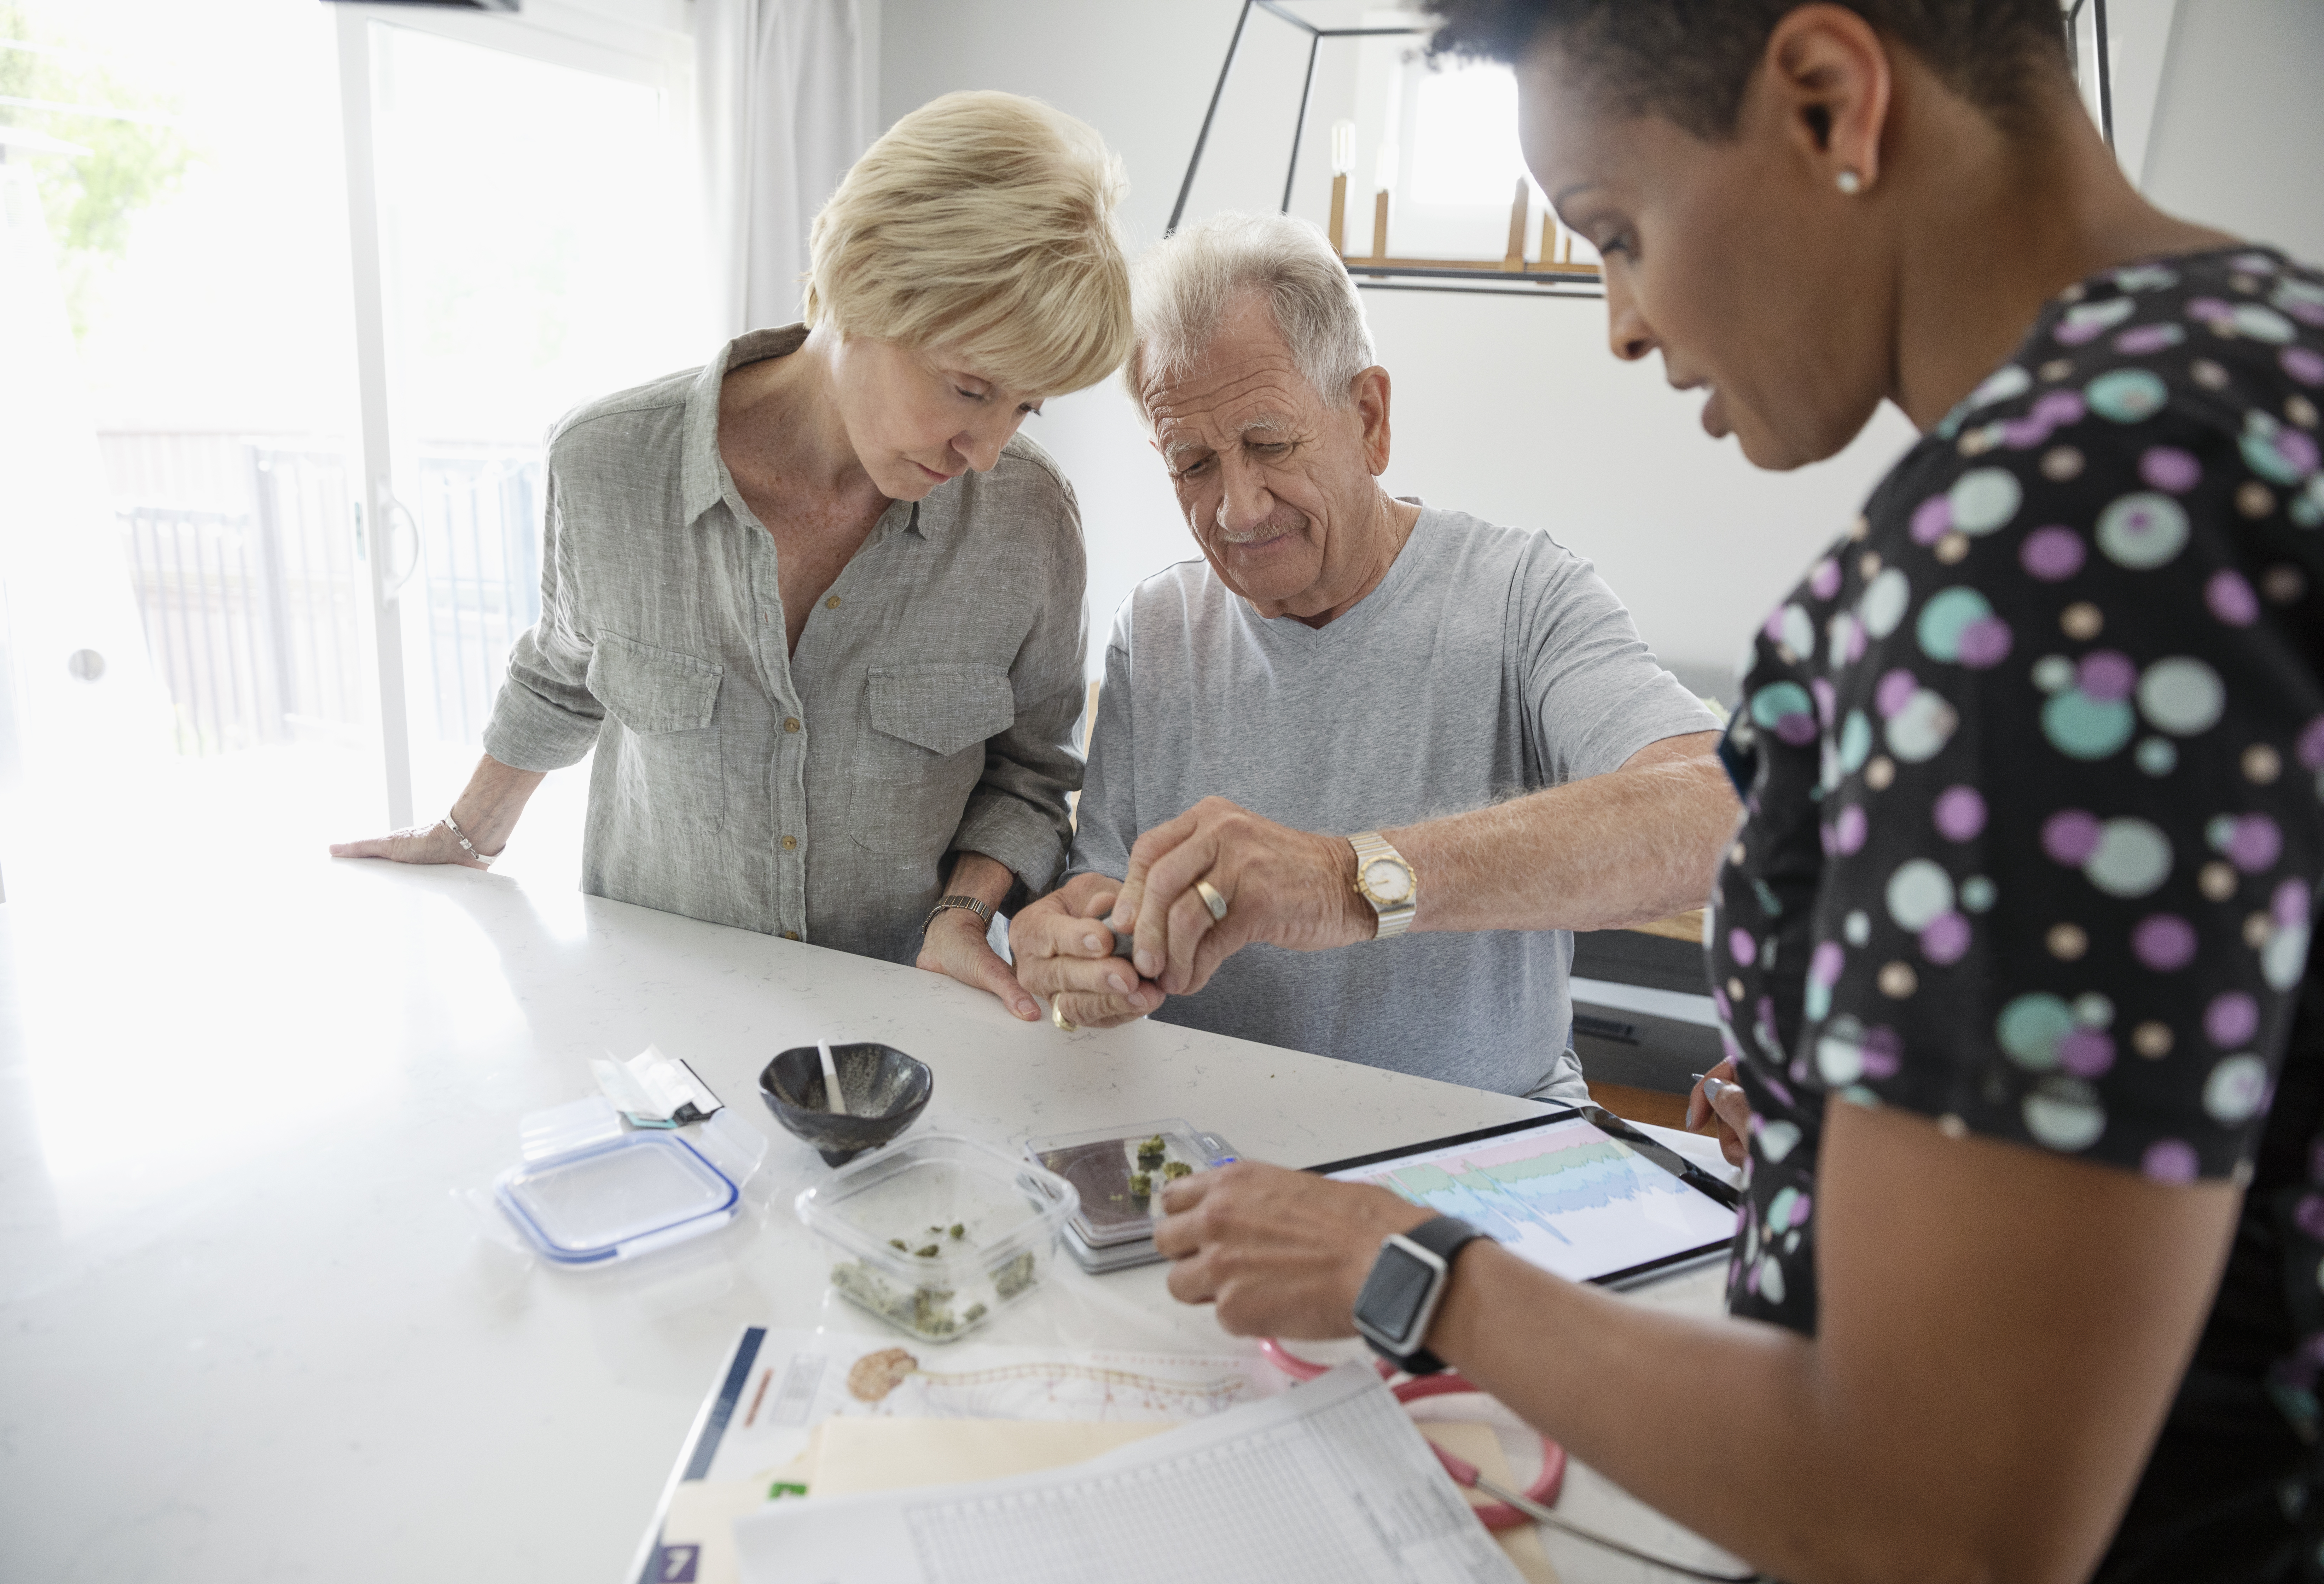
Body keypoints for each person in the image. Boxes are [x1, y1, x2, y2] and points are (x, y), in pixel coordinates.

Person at [1155, 2, 2324, 1578]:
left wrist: (1416, 1269)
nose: (1624, 324)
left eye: (1621, 232)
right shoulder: (2262, 360)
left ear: (1833, 101)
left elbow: (1943, 1507)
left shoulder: (2043, 556)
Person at [332, 92, 1131, 1022]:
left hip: (902, 1036)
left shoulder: (1028, 518)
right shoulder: (607, 464)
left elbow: (1032, 771)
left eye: (1026, 407)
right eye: (969, 388)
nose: (985, 450)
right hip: (649, 1022)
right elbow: (562, 677)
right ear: (863, 282)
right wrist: (463, 838)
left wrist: (963, 913)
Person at [1007, 211, 1737, 1097]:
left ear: (1369, 418)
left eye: (1270, 445)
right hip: (1212, 1140)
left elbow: (1718, 812)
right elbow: (1104, 888)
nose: (1236, 508)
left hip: (1484, 1143)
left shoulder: (1524, 595)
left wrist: (1348, 880)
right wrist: (1073, 953)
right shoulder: (1155, 628)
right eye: (1191, 464)